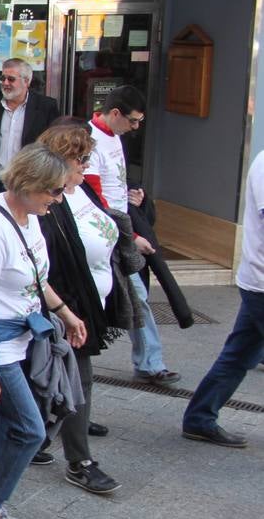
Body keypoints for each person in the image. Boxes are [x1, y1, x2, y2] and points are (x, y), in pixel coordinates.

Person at [0, 144, 87, 519]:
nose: (58, 199)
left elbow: (34, 278)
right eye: (53, 191)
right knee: (30, 430)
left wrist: (66, 313)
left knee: (2, 426)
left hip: (18, 337)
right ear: (29, 185)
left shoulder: (28, 218)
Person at [34, 122, 130, 489]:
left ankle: (35, 438)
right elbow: (43, 266)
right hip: (64, 308)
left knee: (53, 381)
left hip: (86, 303)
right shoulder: (50, 201)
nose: (86, 166)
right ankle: (80, 460)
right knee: (77, 380)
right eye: (81, 159)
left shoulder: (81, 189)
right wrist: (64, 312)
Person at [84, 85, 179, 385]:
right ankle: (147, 362)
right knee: (126, 296)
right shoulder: (92, 141)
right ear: (115, 114)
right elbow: (95, 197)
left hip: (117, 228)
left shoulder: (113, 136)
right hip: (105, 233)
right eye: (133, 121)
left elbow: (111, 188)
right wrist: (131, 236)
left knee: (137, 296)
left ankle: (150, 362)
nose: (135, 127)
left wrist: (131, 197)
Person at [179, 150, 261, 448]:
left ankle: (199, 419)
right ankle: (199, 418)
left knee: (239, 354)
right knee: (239, 354)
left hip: (257, 282)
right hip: (261, 283)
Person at [0, 58, 60, 198]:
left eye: (11, 79)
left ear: (26, 81)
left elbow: (53, 144)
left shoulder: (45, 107)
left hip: (32, 181)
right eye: (2, 78)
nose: (5, 83)